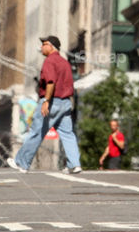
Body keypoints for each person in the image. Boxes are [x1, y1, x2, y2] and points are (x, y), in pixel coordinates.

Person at [6, 36, 82, 174]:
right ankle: (74, 164)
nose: (41, 47)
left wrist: (46, 101)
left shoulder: (49, 61)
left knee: (36, 132)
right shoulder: (65, 63)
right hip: (65, 103)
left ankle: (21, 163)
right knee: (68, 134)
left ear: (52, 46)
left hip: (52, 101)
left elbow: (51, 82)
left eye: (44, 44)